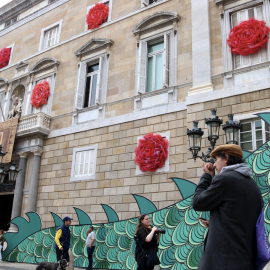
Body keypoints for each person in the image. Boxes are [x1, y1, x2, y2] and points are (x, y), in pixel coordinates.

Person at [192, 144, 262, 270]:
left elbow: (197, 202)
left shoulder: (225, 179)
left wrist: (207, 175)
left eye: (216, 159)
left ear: (226, 158)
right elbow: (237, 219)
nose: (215, 164)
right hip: (244, 261)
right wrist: (215, 222)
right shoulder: (252, 185)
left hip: (223, 262)